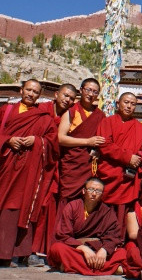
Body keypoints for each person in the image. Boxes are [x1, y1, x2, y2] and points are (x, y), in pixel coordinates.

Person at [0, 79, 58, 268]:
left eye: (35, 92)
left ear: (39, 95)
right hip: (5, 169)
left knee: (18, 209)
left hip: (28, 173)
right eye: (28, 90)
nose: (31, 94)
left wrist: (36, 141)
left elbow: (52, 144)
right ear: (21, 90)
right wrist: (8, 141)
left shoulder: (44, 118)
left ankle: (8, 255)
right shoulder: (6, 112)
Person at [31, 83, 78, 264]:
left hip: (53, 167)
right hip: (36, 165)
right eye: (66, 96)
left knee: (47, 207)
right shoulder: (41, 111)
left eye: (72, 98)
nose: (68, 100)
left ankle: (39, 249)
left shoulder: (68, 116)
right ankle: (26, 248)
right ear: (56, 94)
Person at [47, 177, 126, 275]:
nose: (94, 194)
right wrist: (83, 248)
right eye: (91, 189)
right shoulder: (72, 207)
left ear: (102, 195)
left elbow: (113, 236)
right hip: (76, 249)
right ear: (84, 191)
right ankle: (109, 268)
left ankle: (72, 266)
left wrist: (104, 250)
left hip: (97, 252)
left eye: (98, 191)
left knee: (122, 252)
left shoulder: (107, 212)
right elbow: (63, 235)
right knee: (57, 248)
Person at [94, 92, 142, 232]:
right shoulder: (108, 122)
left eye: (132, 104)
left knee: (123, 210)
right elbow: (105, 145)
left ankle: (119, 240)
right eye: (126, 102)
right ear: (118, 103)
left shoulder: (138, 126)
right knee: (104, 207)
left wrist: (141, 155)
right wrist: (128, 157)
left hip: (127, 177)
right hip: (109, 172)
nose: (129, 106)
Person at [57, 79, 106, 213]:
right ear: (81, 90)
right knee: (66, 199)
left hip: (88, 164)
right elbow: (60, 138)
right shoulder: (71, 112)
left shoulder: (100, 115)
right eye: (88, 90)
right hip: (71, 164)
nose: (91, 94)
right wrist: (87, 142)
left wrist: (97, 149)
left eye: (95, 92)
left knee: (85, 200)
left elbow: (103, 140)